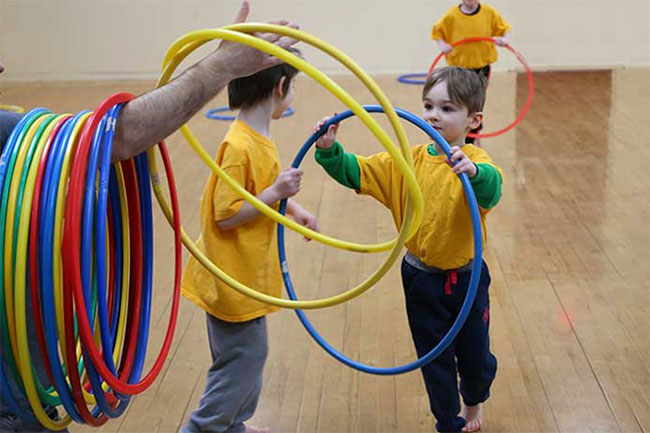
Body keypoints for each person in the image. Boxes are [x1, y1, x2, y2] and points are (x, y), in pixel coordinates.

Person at [0, 2, 299, 432]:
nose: (4, 66)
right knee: (245, 356)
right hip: (14, 404)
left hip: (29, 390)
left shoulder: (11, 133)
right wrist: (220, 67)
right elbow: (117, 136)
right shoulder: (239, 146)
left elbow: (107, 139)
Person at [312, 66, 503, 433]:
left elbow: (491, 189)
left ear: (473, 120)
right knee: (434, 358)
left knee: (476, 359)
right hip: (420, 280)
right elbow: (358, 172)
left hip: (467, 279)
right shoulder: (406, 162)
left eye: (447, 109)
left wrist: (474, 174)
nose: (433, 115)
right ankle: (447, 420)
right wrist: (330, 150)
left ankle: (474, 398)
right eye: (428, 105)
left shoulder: (476, 165)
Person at [180, 47, 317, 433]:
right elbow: (227, 215)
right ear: (281, 85)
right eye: (294, 88)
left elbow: (256, 190)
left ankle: (232, 424)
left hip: (244, 271)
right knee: (243, 357)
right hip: (231, 276)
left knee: (247, 354)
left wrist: (293, 208)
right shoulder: (239, 146)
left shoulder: (256, 136)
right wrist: (276, 193)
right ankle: (205, 426)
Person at [431, 0, 511, 145]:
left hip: (481, 67)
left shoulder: (489, 13)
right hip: (459, 68)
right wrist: (443, 45)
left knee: (475, 103)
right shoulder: (452, 16)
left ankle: (473, 137)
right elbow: (437, 32)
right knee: (459, 102)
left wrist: (504, 39)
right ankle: (460, 136)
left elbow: (504, 29)